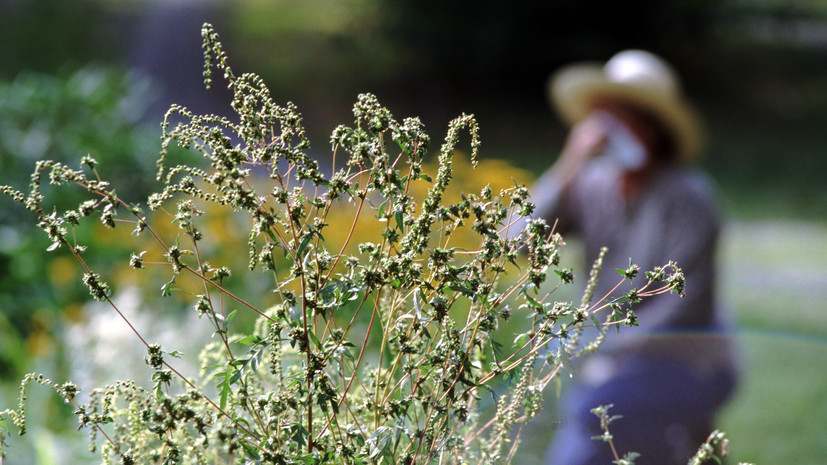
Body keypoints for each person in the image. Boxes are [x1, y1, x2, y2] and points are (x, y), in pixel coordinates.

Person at [526, 50, 739, 465]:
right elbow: (519, 242)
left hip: (690, 362)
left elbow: (685, 305)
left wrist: (605, 354)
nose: (618, 128)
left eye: (631, 116)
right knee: (606, 423)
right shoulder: (590, 184)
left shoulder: (689, 197)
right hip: (618, 363)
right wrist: (570, 163)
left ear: (657, 128)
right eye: (608, 116)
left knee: (597, 413)